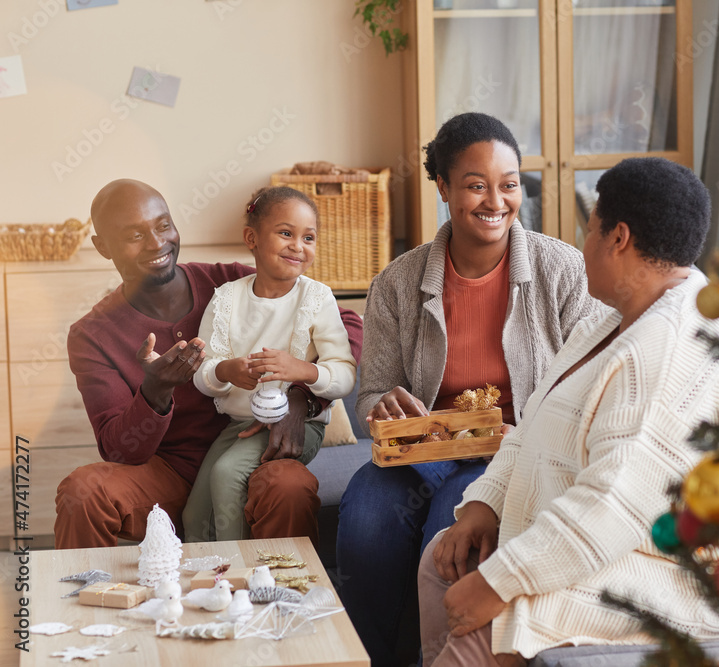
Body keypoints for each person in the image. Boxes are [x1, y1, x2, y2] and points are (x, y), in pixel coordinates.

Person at [418, 157, 719, 666]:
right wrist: (484, 508)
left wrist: (499, 582)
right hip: (602, 539)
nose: (582, 246)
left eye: (588, 230)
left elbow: (610, 508)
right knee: (444, 558)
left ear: (618, 238)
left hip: (666, 566)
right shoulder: (611, 322)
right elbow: (532, 427)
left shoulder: (669, 347)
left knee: (501, 618)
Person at [337, 112, 601, 667]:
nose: (495, 201)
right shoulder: (398, 282)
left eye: (508, 185)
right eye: (476, 185)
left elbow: (594, 380)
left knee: (448, 534)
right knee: (364, 516)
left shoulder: (563, 270)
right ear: (444, 188)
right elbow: (371, 396)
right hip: (425, 450)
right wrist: (381, 403)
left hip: (511, 451)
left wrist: (528, 432)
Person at [54, 179, 362, 549]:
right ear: (102, 246)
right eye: (134, 235)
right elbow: (120, 451)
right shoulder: (92, 334)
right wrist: (155, 391)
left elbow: (347, 323)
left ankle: (287, 601)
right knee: (82, 491)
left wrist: (300, 398)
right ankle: (87, 602)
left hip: (255, 449)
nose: (156, 243)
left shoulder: (228, 282)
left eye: (163, 225)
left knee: (289, 485)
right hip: (167, 474)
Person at [183, 186, 357, 542]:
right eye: (285, 233)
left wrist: (302, 370)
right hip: (239, 425)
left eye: (309, 237)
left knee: (227, 473)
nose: (298, 246)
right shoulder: (227, 298)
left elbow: (344, 375)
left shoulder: (317, 298)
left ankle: (233, 576)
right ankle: (199, 584)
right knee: (194, 513)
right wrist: (225, 371)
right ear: (252, 238)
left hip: (301, 426)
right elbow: (203, 370)